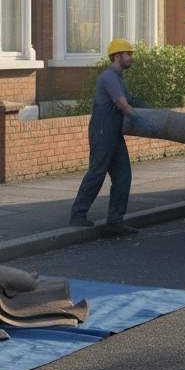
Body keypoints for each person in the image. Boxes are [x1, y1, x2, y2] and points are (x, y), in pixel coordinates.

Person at [70, 38, 154, 237]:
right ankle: (78, 213)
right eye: (128, 54)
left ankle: (115, 221)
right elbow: (122, 104)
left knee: (123, 175)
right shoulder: (108, 77)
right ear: (117, 57)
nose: (131, 57)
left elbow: (131, 99)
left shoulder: (118, 77)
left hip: (113, 134)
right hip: (102, 133)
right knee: (97, 173)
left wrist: (152, 112)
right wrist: (138, 119)